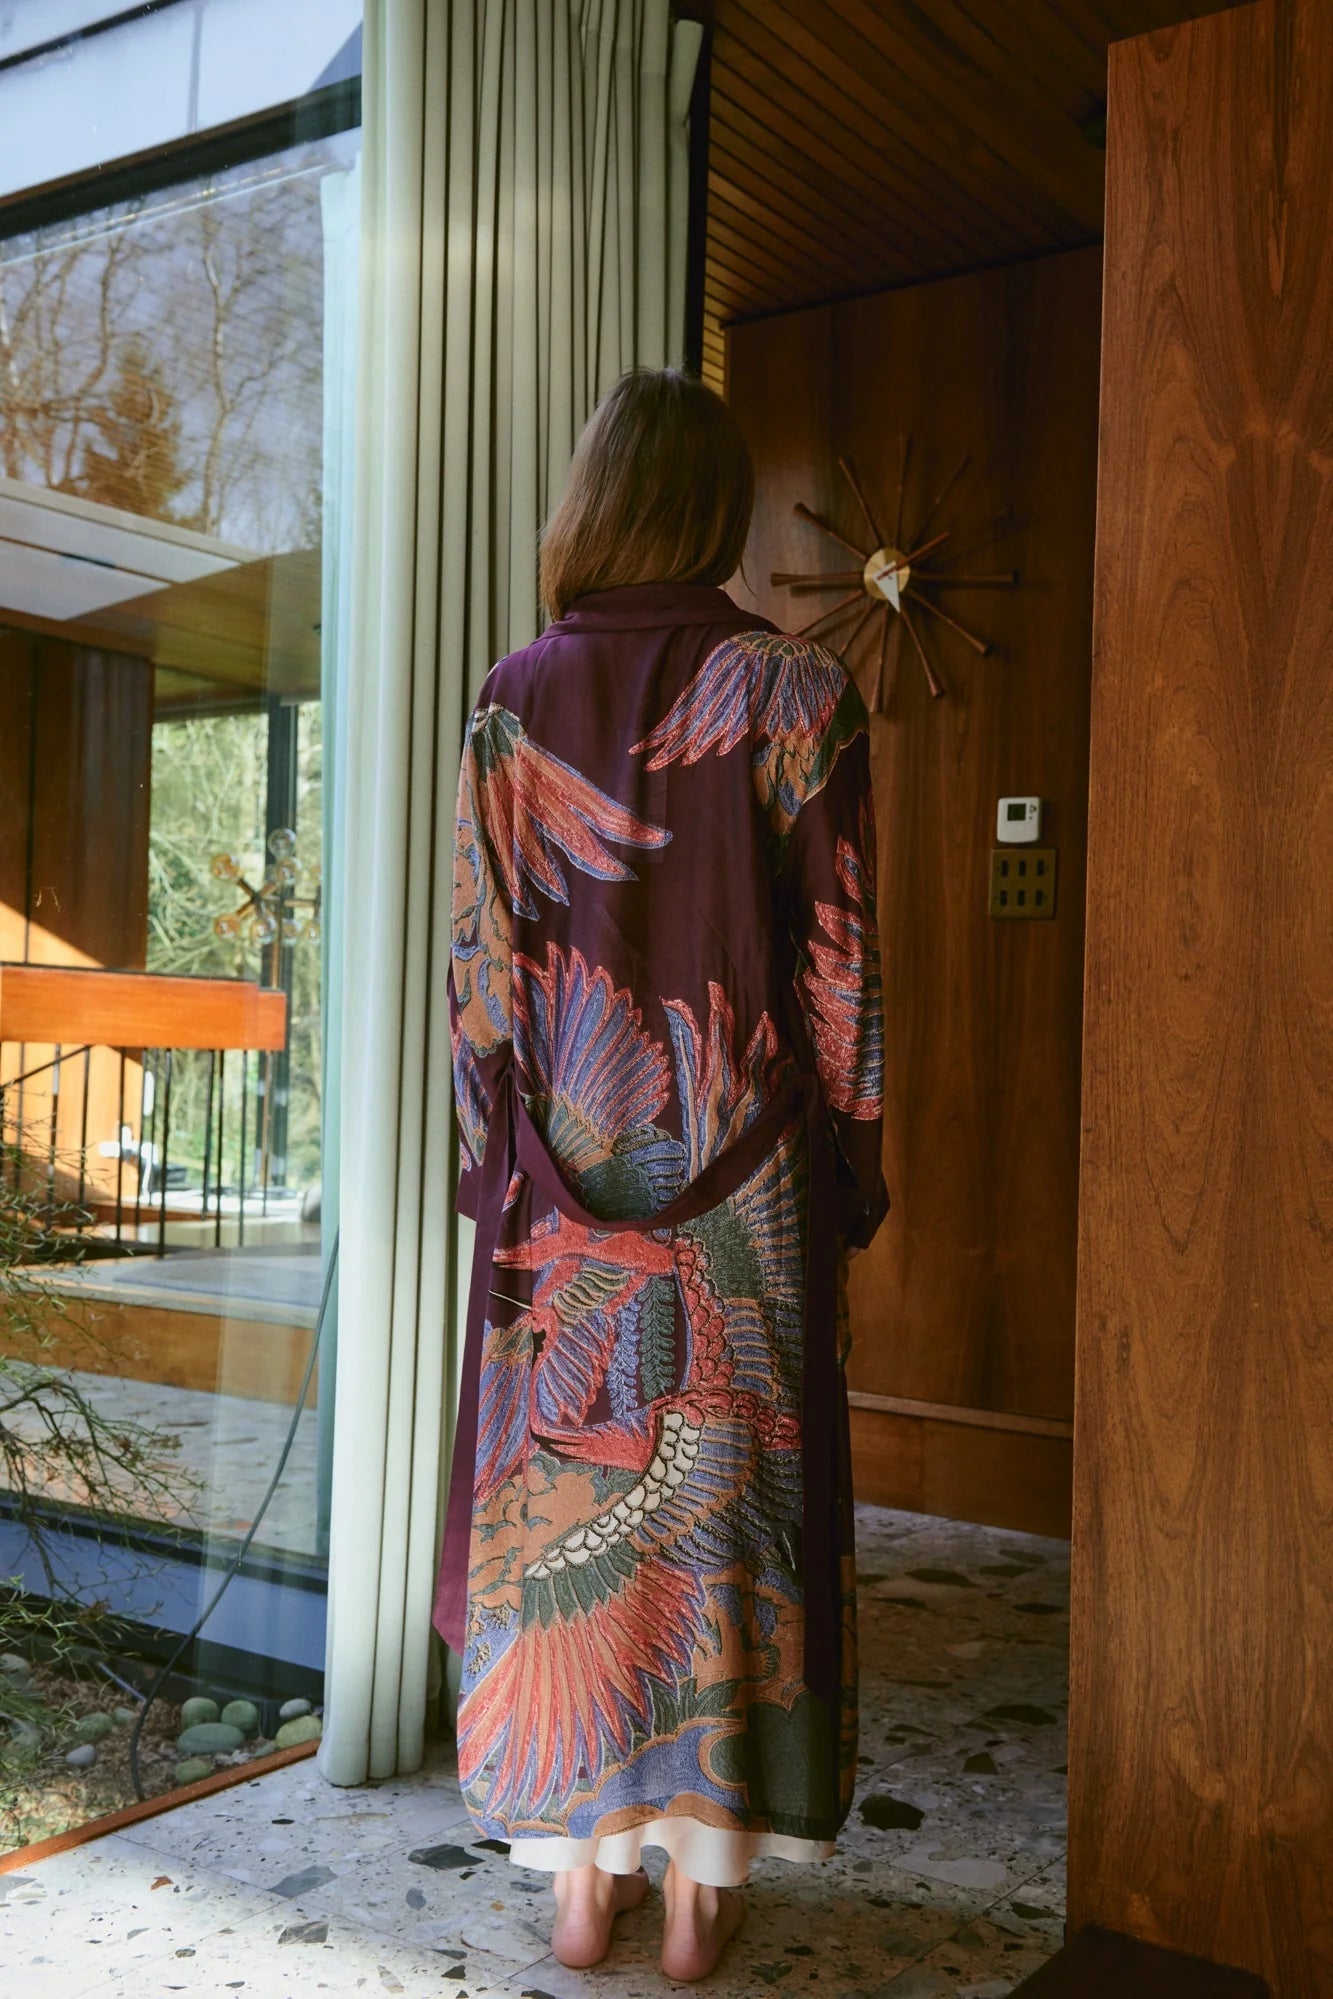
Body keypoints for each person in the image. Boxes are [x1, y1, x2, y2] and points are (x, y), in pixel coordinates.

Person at [433, 367, 888, 1982]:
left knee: (561, 1509)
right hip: (748, 1193)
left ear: (588, 500)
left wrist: (507, 1181)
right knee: (727, 1509)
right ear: (716, 513)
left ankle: (578, 1885)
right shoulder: (796, 690)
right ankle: (702, 1898)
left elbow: (482, 980)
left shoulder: (509, 694)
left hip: (557, 1203)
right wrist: (853, 1164)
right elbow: (837, 967)